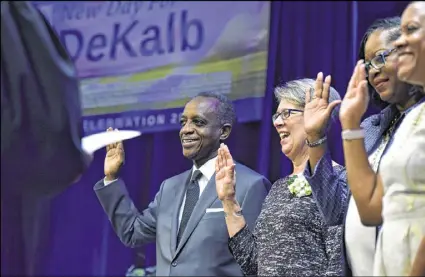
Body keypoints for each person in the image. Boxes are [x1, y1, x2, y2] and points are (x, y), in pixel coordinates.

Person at [94, 92, 271, 276]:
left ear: (223, 131)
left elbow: (257, 264)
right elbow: (132, 232)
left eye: (198, 122)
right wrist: (111, 178)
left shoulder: (250, 186)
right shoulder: (169, 188)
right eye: (183, 122)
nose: (186, 129)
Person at [302, 17, 424, 276]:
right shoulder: (370, 128)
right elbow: (336, 211)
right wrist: (316, 137)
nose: (373, 71)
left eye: (381, 57)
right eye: (368, 65)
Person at [214, 79, 343, 276]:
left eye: (287, 113)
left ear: (316, 115)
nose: (277, 122)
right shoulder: (279, 187)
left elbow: (338, 262)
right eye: (277, 115)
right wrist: (229, 201)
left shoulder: (339, 181)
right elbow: (253, 265)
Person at [394, 4, 425, 275]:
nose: (400, 41)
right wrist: (350, 126)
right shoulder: (411, 119)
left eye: (411, 30)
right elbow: (371, 209)